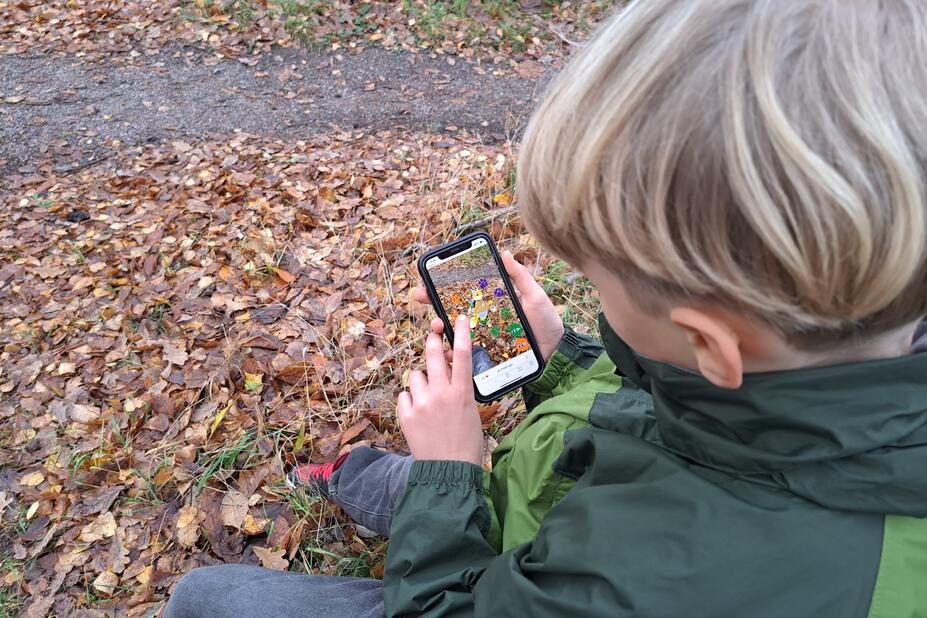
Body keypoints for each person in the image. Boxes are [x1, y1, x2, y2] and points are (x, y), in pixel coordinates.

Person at [164, 0, 927, 615]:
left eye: (597, 283)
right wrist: (562, 358)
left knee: (207, 596)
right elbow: (671, 407)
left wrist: (448, 474)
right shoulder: (797, 368)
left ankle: (421, 488)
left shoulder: (648, 578)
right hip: (551, 502)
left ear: (709, 344)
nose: (587, 296)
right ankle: (371, 478)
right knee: (408, 474)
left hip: (510, 578)